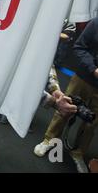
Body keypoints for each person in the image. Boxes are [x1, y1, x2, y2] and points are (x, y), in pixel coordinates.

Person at [0, 65, 77, 173]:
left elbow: (46, 61)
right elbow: (22, 83)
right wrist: (54, 102)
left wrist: (54, 87)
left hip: (6, 90)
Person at [34, 16, 98, 173]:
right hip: (83, 77)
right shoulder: (96, 23)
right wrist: (93, 69)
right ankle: (49, 139)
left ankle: (78, 153)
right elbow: (79, 47)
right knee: (64, 109)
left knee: (92, 123)